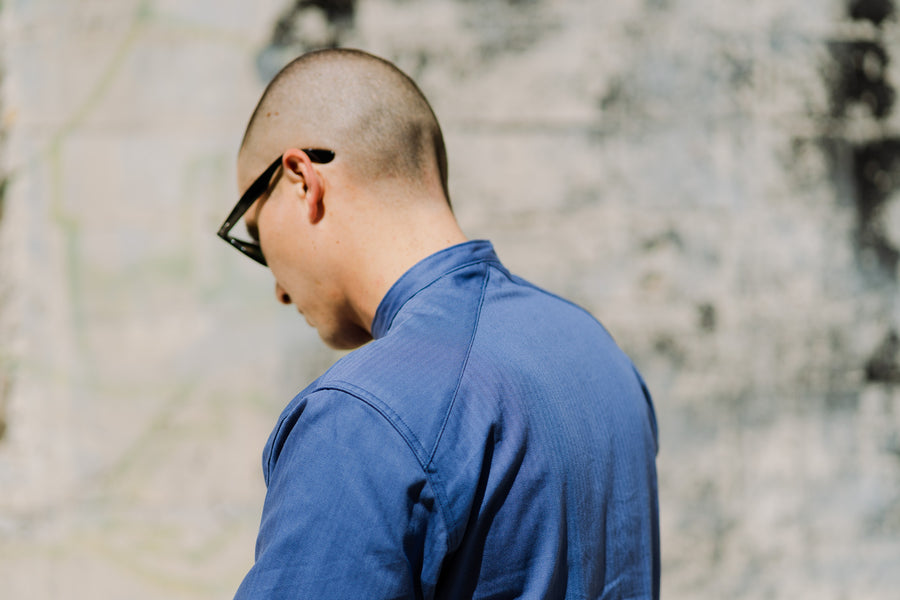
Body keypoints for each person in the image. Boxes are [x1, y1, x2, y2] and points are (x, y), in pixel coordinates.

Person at [218, 48, 660, 599]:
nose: (279, 289)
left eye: (256, 234)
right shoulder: (596, 352)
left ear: (302, 180)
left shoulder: (360, 416)